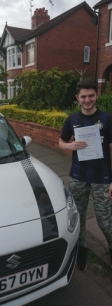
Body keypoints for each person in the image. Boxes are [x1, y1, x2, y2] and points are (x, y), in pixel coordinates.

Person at [59, 78, 112, 271]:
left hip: (103, 179)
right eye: (84, 96)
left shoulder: (107, 119)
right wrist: (69, 145)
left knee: (105, 220)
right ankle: (81, 248)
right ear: (77, 98)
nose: (87, 100)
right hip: (78, 177)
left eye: (91, 95)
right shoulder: (72, 120)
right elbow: (61, 142)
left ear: (96, 95)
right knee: (78, 217)